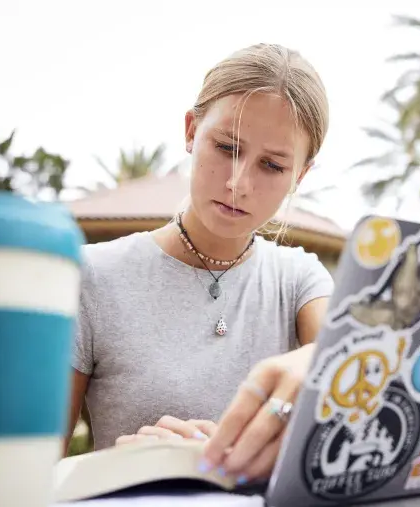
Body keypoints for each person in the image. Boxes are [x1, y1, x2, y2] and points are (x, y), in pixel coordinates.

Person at [66, 43, 334, 486]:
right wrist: (116, 467)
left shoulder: (300, 280)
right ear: (191, 131)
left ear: (300, 175)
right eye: (227, 146)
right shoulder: (93, 276)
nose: (238, 183)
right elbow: (29, 480)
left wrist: (322, 365)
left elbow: (352, 391)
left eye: (272, 165)